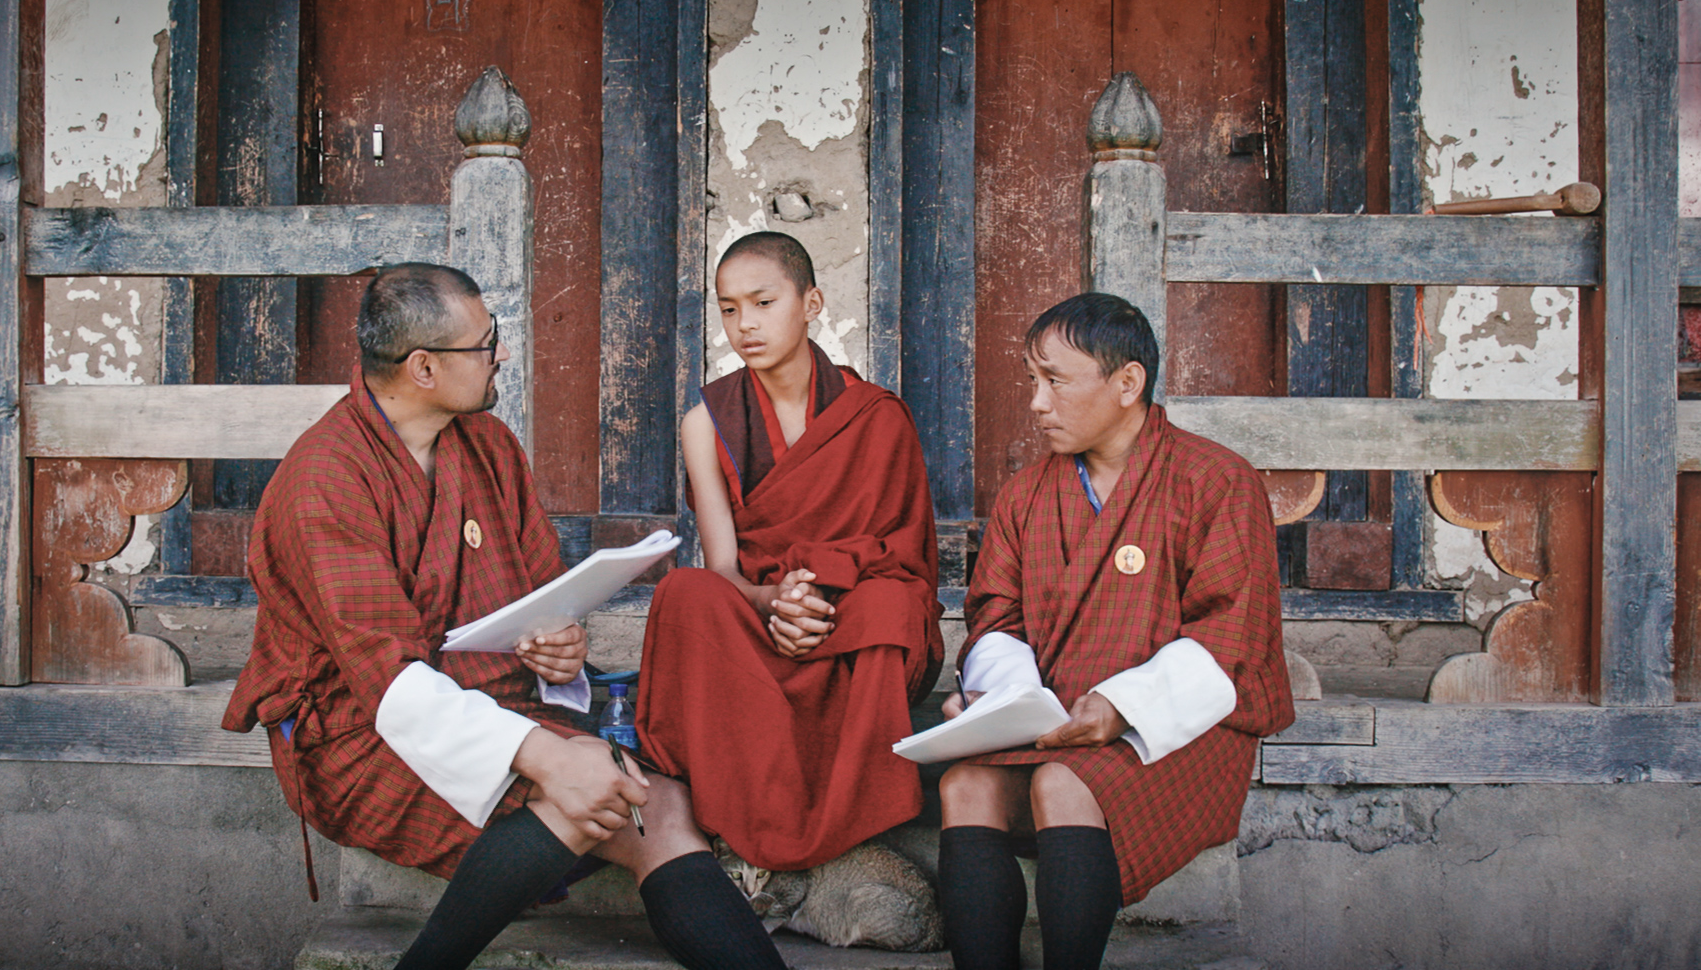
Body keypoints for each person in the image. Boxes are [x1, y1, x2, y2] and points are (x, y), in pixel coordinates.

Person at [222, 263, 788, 970]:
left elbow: (541, 592)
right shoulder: (324, 481)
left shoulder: (486, 443)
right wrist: (548, 753)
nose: (502, 355)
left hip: (489, 696)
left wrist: (560, 650)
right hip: (359, 731)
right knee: (585, 787)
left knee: (660, 802)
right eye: (486, 342)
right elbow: (388, 680)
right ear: (424, 367)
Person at [935, 292, 1294, 970]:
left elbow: (1232, 635)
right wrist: (1011, 699)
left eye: (1055, 380)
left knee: (1062, 785)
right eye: (1031, 380)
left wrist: (1119, 707)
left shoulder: (1214, 481)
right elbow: (993, 616)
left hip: (1180, 725)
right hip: (1057, 719)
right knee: (964, 785)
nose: (1036, 402)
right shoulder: (1026, 495)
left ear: (1126, 383)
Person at [635, 231, 944, 874]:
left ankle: (846, 820)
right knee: (685, 593)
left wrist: (819, 590)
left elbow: (902, 553)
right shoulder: (707, 421)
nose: (744, 325)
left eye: (762, 302)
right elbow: (723, 568)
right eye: (727, 308)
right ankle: (748, 815)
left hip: (844, 604)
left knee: (890, 605)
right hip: (762, 610)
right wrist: (773, 599)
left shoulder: (877, 416)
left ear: (812, 303)